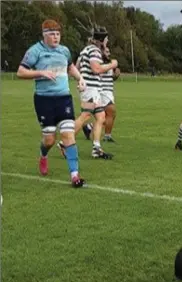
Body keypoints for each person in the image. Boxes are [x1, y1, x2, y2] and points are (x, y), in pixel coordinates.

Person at [16, 19, 86, 187]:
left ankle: (75, 176)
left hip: (64, 98)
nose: (56, 37)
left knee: (68, 134)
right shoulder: (35, 51)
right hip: (44, 100)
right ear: (44, 35)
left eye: (58, 34)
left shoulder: (64, 50)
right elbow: (20, 71)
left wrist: (80, 78)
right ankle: (44, 155)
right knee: (49, 140)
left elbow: (70, 67)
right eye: (52, 34)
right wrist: (41, 72)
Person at [73, 26, 116, 159]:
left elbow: (77, 67)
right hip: (91, 89)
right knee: (85, 116)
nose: (107, 41)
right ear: (102, 39)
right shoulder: (95, 51)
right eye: (106, 39)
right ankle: (65, 142)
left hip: (92, 89)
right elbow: (96, 69)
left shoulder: (85, 50)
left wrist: (80, 80)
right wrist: (112, 65)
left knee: (100, 117)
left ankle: (96, 148)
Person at [81, 46, 120, 143]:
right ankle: (107, 136)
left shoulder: (107, 62)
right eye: (106, 51)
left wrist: (116, 73)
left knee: (104, 115)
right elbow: (99, 71)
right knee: (111, 112)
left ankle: (89, 127)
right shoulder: (99, 62)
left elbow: (112, 77)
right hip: (103, 91)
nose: (108, 53)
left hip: (107, 91)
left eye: (109, 51)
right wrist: (112, 65)